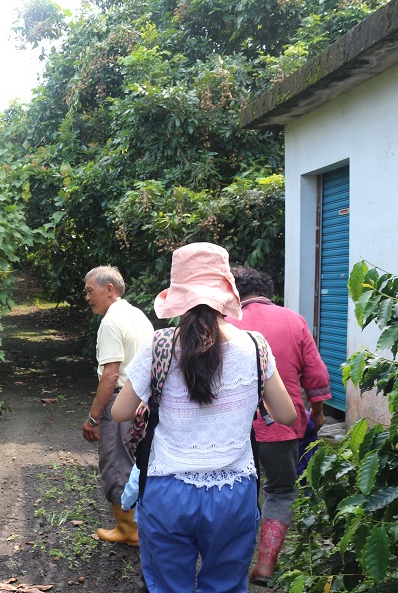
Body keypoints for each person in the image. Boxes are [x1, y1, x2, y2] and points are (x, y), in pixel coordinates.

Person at [111, 242, 297, 592]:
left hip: (168, 491)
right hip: (234, 492)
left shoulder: (161, 344)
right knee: (225, 585)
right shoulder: (255, 346)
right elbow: (286, 414)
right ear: (228, 290)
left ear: (177, 293)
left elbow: (120, 411)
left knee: (168, 586)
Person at [227, 265, 331, 586]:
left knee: (236, 489)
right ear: (266, 293)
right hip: (281, 428)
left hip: (233, 428)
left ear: (235, 295)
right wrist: (318, 412)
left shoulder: (223, 324)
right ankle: (265, 566)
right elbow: (317, 376)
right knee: (281, 490)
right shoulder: (293, 321)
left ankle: (230, 562)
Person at [81, 266, 154, 546]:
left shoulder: (111, 322)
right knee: (137, 461)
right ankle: (139, 524)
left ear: (109, 289)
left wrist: (93, 417)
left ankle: (127, 529)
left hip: (122, 398)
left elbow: (111, 375)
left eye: (90, 291)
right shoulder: (137, 315)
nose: (87, 297)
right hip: (144, 399)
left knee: (115, 462)